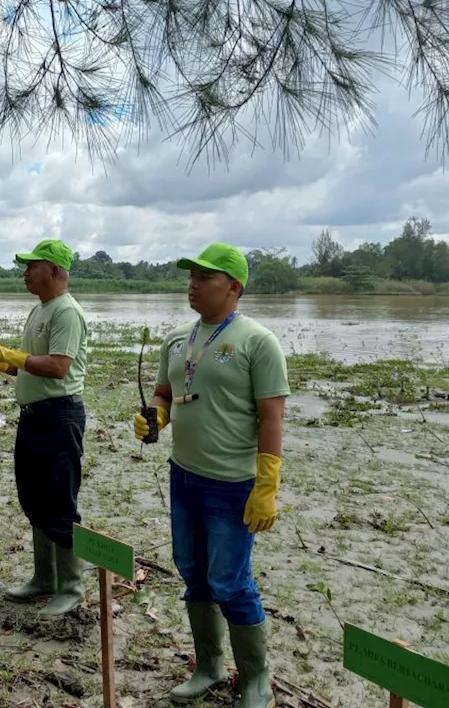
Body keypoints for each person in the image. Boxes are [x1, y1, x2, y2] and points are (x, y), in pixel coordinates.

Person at [133, 243, 286, 707]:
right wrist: (155, 417)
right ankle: (208, 665)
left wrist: (266, 485)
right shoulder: (178, 338)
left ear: (234, 287)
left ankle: (257, 681)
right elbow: (164, 392)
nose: (193, 285)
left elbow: (271, 417)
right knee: (193, 571)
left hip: (233, 484)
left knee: (230, 580)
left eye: (205, 278)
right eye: (191, 277)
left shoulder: (258, 342)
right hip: (184, 477)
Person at [0, 238, 89, 616]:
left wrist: (13, 355)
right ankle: (43, 577)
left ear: (54, 270)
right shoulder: (40, 311)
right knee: (33, 496)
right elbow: (29, 364)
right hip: (34, 415)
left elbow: (58, 367)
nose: (25, 272)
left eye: (32, 265)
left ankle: (70, 586)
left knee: (60, 499)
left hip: (59, 414)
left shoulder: (66, 312)